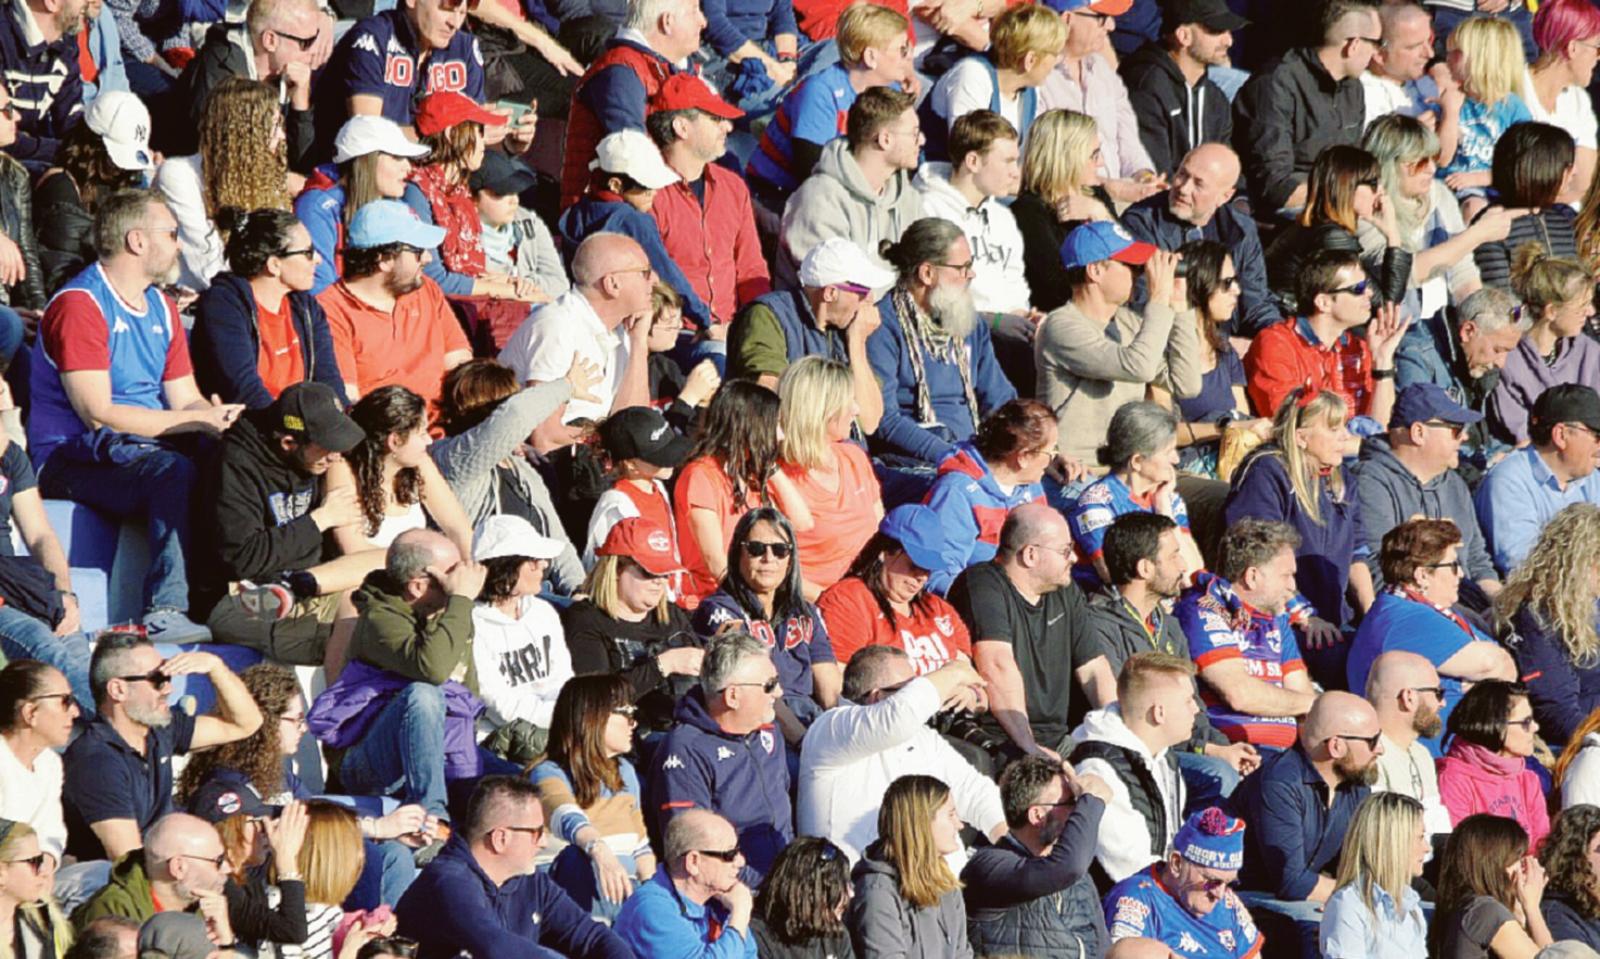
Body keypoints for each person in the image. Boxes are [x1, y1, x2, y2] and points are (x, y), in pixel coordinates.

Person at [27, 190, 243, 641]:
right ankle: (164, 610)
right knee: (171, 471)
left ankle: (234, 599)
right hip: (69, 457)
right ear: (137, 241)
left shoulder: (161, 306)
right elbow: (98, 414)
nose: (179, 244)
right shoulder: (81, 305)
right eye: (171, 233)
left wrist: (219, 420)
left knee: (236, 456)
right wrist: (194, 424)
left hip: (140, 444)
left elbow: (185, 399)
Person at [176, 663, 423, 913]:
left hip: (300, 871)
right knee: (369, 854)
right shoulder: (226, 781)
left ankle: (385, 941)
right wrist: (375, 827)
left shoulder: (276, 771)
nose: (303, 729)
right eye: (296, 720)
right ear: (268, 723)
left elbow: (318, 809)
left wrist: (383, 830)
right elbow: (275, 822)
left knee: (391, 853)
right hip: (264, 885)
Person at [305, 529, 497, 821]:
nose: (463, 578)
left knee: (528, 781)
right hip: (366, 761)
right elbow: (431, 669)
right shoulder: (379, 619)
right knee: (423, 694)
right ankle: (431, 815)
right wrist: (459, 600)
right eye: (452, 572)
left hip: (437, 750)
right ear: (419, 586)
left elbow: (465, 690)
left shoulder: (450, 610)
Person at [199, 381, 377, 678]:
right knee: (368, 630)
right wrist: (319, 520)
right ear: (288, 443)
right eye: (327, 447)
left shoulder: (314, 461)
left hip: (302, 587)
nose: (336, 455)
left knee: (402, 586)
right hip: (242, 597)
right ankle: (335, 719)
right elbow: (241, 558)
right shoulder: (235, 465)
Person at [64, 633, 262, 862]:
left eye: (169, 677)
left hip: (151, 868)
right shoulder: (97, 761)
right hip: (105, 882)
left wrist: (215, 668)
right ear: (118, 689)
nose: (168, 689)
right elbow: (127, 860)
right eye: (158, 679)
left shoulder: (160, 730)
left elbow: (245, 724)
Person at [797, 649, 1003, 862]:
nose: (919, 697)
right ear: (877, 696)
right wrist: (954, 672)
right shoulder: (831, 729)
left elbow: (976, 792)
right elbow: (897, 717)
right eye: (910, 689)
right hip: (861, 886)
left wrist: (1011, 842)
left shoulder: (922, 736)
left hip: (939, 883)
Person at [395, 776, 633, 959]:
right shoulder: (449, 882)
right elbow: (496, 947)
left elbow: (591, 937)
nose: (543, 842)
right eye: (537, 832)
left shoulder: (533, 883)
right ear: (501, 838)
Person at [949, 501, 1113, 760]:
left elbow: (1094, 670)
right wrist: (1029, 747)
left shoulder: (1066, 589)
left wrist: (1122, 737)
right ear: (1030, 555)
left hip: (1061, 740)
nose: (1074, 557)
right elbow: (996, 664)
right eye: (1065, 550)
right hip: (1004, 740)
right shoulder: (982, 584)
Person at [1229, 691, 1382, 959]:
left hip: (1308, 897)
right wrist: (1353, 899)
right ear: (1336, 746)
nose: (1380, 749)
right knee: (1329, 930)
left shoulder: (1356, 788)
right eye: (1373, 741)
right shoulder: (1279, 784)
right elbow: (1292, 882)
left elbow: (1362, 867)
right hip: (1253, 900)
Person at [1039, 223, 1201, 468]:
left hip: (1131, 473)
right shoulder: (1061, 326)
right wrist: (1158, 298)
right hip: (1079, 471)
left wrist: (1179, 306)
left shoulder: (1128, 323)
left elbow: (1186, 384)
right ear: (1095, 271)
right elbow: (1139, 367)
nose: (1138, 274)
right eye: (1129, 265)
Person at [866, 216, 1017, 471]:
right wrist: (952, 457)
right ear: (927, 273)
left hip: (975, 455)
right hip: (913, 464)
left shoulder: (969, 322)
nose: (971, 274)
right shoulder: (883, 326)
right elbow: (886, 420)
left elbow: (1000, 399)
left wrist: (1036, 447)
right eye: (962, 267)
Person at [1347, 519, 1513, 752]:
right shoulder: (1404, 618)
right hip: (1431, 758)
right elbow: (1495, 663)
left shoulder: (1434, 612)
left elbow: (1505, 666)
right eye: (1453, 566)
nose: (1462, 574)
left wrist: (1480, 683)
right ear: (1422, 575)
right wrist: (1481, 684)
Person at [1224, 390, 1371, 649]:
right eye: (1334, 428)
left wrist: (1371, 616)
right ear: (1301, 437)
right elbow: (1259, 555)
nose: (1346, 436)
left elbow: (1357, 553)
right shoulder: (1267, 472)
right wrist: (1304, 615)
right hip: (1280, 619)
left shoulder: (1343, 479)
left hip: (1334, 618)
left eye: (1345, 427)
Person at [430, 359, 589, 593]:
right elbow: (515, 415)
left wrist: (580, 593)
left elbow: (559, 544)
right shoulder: (453, 459)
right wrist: (566, 386)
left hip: (537, 593)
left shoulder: (521, 467)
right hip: (489, 596)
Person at [648, 631, 792, 886]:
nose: (779, 692)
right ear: (732, 696)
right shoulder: (685, 750)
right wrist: (766, 887)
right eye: (769, 684)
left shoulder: (768, 731)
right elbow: (693, 851)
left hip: (787, 881)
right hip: (735, 894)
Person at [1176, 518, 1317, 752]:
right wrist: (1315, 704)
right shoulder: (1206, 607)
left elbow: (1302, 691)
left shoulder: (1276, 619)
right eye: (1286, 575)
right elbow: (1239, 693)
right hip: (1235, 750)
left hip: (1285, 756)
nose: (1293, 586)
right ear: (1252, 576)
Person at [315, 200, 472, 410]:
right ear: (384, 259)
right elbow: (348, 401)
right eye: (418, 251)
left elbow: (459, 361)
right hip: (390, 434)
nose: (427, 258)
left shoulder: (426, 289)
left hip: (446, 424)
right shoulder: (331, 310)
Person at [693, 508, 838, 735]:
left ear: (790, 560)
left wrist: (836, 733)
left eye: (780, 550)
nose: (769, 558)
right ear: (737, 554)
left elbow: (829, 687)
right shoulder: (721, 611)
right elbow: (753, 689)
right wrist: (802, 741)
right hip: (760, 723)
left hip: (812, 719)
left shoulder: (805, 612)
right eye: (756, 548)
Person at [1233, 0, 1379, 217]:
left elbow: (1354, 167)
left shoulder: (1352, 87)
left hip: (1334, 205)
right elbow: (1275, 186)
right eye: (1377, 43)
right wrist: (1345, 198)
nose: (1376, 54)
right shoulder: (1276, 83)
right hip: (1285, 214)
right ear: (1354, 45)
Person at [1356, 382, 1501, 601]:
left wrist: (1499, 605)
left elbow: (1477, 561)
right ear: (1418, 432)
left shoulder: (1454, 483)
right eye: (1456, 429)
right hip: (1414, 612)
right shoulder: (1370, 482)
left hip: (1466, 603)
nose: (1465, 437)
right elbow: (1377, 572)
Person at [647, 72, 769, 332]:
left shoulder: (733, 187)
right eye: (715, 119)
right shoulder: (648, 193)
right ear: (682, 127)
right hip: (675, 336)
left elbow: (751, 267)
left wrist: (759, 326)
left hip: (731, 330)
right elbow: (650, 281)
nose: (727, 127)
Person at [529, 674, 656, 921]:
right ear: (593, 718)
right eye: (625, 712)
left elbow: (640, 849)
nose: (634, 723)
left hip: (623, 903)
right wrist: (599, 851)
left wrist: (655, 903)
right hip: (569, 903)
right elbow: (564, 814)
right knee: (578, 859)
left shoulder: (626, 774)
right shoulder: (547, 773)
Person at [190, 209, 347, 410]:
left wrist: (343, 423)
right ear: (274, 265)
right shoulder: (224, 305)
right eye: (308, 252)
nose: (318, 259)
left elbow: (329, 380)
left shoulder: (307, 308)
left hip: (304, 429)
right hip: (252, 427)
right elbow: (243, 389)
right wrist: (291, 427)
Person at [1362, 115, 1506, 331]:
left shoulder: (1439, 194)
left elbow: (1462, 272)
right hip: (1395, 331)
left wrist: (1483, 323)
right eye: (1420, 162)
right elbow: (1404, 274)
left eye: (1433, 158)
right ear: (1389, 163)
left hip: (1442, 328)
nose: (1431, 168)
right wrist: (1477, 234)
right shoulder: (1366, 210)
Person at [558, 0, 706, 210]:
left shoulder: (678, 71)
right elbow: (633, 162)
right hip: (608, 220)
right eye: (694, 11)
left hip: (659, 209)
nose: (703, 22)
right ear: (667, 22)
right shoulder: (620, 72)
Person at [560, 517, 702, 735]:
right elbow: (596, 700)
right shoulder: (586, 618)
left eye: (665, 573)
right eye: (649, 572)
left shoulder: (671, 616)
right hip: (627, 740)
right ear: (616, 569)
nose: (659, 581)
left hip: (683, 731)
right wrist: (663, 665)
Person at [1121, 143, 1280, 336]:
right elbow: (1143, 306)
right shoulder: (1142, 224)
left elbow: (1255, 303)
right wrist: (1222, 344)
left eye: (1199, 184)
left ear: (1225, 196)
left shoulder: (1240, 230)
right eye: (1182, 174)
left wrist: (1279, 340)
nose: (1184, 188)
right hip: (1173, 344)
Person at [497, 231, 654, 424]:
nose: (654, 280)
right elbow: (545, 437)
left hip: (589, 448)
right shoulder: (557, 326)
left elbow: (635, 426)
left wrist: (639, 344)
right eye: (644, 272)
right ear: (612, 284)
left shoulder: (624, 330)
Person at [154, 78, 293, 294]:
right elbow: (209, 270)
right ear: (244, 134)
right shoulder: (179, 175)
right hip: (203, 305)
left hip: (262, 299)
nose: (282, 136)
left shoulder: (265, 181)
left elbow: (287, 253)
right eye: (274, 127)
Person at [962, 755, 1111, 957]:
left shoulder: (1080, 877)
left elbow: (1103, 948)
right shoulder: (990, 866)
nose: (1078, 809)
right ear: (1037, 816)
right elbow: (1066, 867)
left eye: (1079, 801)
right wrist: (1093, 800)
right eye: (1071, 802)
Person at [1069, 652, 1198, 885]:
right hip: (1121, 903)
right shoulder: (1099, 768)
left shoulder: (1163, 756)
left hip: (1162, 890)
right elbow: (1128, 869)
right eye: (1188, 700)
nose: (1196, 709)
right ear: (1159, 713)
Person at [776, 86, 924, 289]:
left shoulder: (908, 197)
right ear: (885, 139)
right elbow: (832, 293)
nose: (921, 141)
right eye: (914, 134)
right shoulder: (820, 198)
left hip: (892, 313)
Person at [400, 93, 540, 304]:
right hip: (444, 309)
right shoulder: (416, 192)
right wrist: (503, 290)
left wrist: (506, 281)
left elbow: (471, 270)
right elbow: (432, 278)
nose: (484, 141)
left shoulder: (459, 191)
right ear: (451, 134)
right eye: (479, 131)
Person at [1243, 249, 1410, 427]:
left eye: (1366, 284)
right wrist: (1368, 443)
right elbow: (1296, 429)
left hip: (1358, 451)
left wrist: (1383, 363)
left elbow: (1380, 426)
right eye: (1358, 289)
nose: (1369, 292)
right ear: (1323, 302)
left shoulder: (1358, 347)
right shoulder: (1277, 345)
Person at [725, 236, 892, 413]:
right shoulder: (767, 317)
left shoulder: (846, 329)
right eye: (862, 291)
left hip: (834, 439)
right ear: (830, 293)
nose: (869, 299)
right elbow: (773, 398)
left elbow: (869, 420)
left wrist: (857, 343)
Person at [314, 0, 493, 160]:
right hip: (358, 173)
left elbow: (470, 141)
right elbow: (367, 134)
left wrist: (508, 143)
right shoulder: (373, 37)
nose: (454, 23)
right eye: (446, 8)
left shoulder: (464, 48)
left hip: (431, 174)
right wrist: (439, 137)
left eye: (462, 12)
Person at [1152, 240, 1272, 480]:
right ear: (1200, 284)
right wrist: (1224, 429)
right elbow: (1162, 433)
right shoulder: (1160, 350)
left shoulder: (1225, 351)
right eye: (1227, 283)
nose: (1237, 290)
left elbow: (1240, 417)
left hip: (1226, 463)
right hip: (1182, 471)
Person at [1393, 282, 1526, 485]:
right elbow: (1425, 442)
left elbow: (1479, 443)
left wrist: (1511, 455)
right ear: (1468, 331)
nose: (1501, 363)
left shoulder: (1475, 364)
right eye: (1498, 350)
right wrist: (1489, 466)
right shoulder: (1417, 355)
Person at [816, 504, 974, 674]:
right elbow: (840, 683)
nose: (922, 577)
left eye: (929, 569)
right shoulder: (848, 601)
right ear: (885, 552)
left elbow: (971, 675)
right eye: (915, 565)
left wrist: (972, 693)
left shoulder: (938, 609)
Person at [166, 0, 320, 172]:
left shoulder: (287, 73)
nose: (315, 50)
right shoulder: (219, 72)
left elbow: (303, 164)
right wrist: (285, 181)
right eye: (307, 43)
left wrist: (301, 103)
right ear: (270, 40)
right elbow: (225, 159)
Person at [1069, 401, 1206, 593]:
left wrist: (1164, 512)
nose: (1176, 459)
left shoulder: (1167, 499)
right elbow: (1116, 578)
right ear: (1137, 461)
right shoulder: (1097, 504)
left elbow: (1193, 574)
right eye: (1168, 452)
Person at [913, 112, 1032, 331]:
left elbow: (1016, 286)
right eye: (1008, 162)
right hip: (955, 332)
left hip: (1006, 333)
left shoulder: (1003, 218)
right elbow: (935, 297)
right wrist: (996, 322)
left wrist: (1024, 316)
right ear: (973, 161)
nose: (1016, 173)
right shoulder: (928, 209)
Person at [322, 387, 473, 558]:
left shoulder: (419, 462)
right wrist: (418, 562)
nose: (429, 440)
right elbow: (353, 549)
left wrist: (471, 569)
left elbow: (458, 528)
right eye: (422, 433)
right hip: (368, 579)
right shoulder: (342, 469)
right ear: (395, 441)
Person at [776, 356, 883, 596]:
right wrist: (835, 603)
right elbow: (773, 570)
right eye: (849, 402)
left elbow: (881, 536)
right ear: (821, 410)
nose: (856, 409)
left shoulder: (854, 458)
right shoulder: (778, 476)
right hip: (816, 604)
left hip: (869, 598)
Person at [1497, 504, 1600, 749]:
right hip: (1581, 741)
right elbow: (1556, 709)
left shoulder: (1590, 605)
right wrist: (1593, 740)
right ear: (1579, 564)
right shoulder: (1535, 618)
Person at [1263, 145, 1412, 313]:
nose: (1381, 191)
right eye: (1373, 183)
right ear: (1347, 187)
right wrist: (1393, 234)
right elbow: (1385, 307)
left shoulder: (1319, 227)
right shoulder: (1331, 237)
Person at [1036, 0, 1159, 202]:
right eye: (1101, 18)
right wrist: (1114, 190)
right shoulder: (1036, 78)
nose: (1111, 26)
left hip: (1118, 202)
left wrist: (1144, 177)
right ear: (1067, 19)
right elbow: (1049, 167)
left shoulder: (1101, 68)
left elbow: (1128, 140)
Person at [1100, 807, 1264, 959]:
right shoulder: (1136, 899)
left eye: (1228, 883)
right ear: (1177, 864)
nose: (1219, 894)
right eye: (1212, 881)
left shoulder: (1227, 901)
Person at [296, 116, 431, 297]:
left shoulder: (393, 205)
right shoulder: (317, 207)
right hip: (340, 318)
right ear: (368, 160)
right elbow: (320, 291)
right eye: (397, 157)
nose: (408, 167)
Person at [32, 93, 152, 296]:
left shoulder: (125, 184)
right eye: (116, 161)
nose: (123, 170)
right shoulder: (60, 187)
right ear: (94, 146)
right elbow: (59, 275)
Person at [846, 774, 974, 959]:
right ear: (922, 823)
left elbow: (963, 953)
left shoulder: (945, 880)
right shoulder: (877, 892)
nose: (960, 825)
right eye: (951, 815)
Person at [468, 514, 571, 738]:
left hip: (559, 731)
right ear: (506, 567)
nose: (543, 565)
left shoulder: (543, 613)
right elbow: (501, 708)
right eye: (533, 560)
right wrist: (567, 716)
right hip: (501, 742)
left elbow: (564, 683)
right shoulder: (471, 624)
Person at [1479, 389, 1600, 577]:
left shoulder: (1592, 478)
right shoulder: (1509, 480)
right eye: (1597, 436)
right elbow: (1524, 565)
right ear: (1561, 435)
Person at [1487, 247, 1600, 447]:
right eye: (1582, 306)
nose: (1590, 312)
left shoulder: (1589, 352)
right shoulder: (1509, 360)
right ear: (1552, 311)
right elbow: (1519, 432)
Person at [1120, 0, 1242, 179]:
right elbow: (1157, 176)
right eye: (1216, 31)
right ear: (1184, 36)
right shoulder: (1145, 86)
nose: (1229, 41)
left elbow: (1226, 169)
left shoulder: (1215, 98)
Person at [1009, 109, 1115, 314]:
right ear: (1067, 158)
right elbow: (1059, 290)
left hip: (1113, 310)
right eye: (1094, 155)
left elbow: (1135, 262)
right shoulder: (1028, 213)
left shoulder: (1097, 198)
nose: (1101, 162)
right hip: (1068, 321)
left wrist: (1101, 216)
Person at [614, 808, 757, 959]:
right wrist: (740, 915)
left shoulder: (721, 900)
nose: (741, 862)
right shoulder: (652, 910)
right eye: (729, 854)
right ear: (693, 862)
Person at [923, 4, 1064, 155]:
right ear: (1030, 60)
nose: (1058, 60)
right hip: (941, 172)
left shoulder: (1030, 89)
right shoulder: (972, 75)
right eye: (1055, 54)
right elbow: (969, 153)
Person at [1437, 680, 1551, 847]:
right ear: (1496, 725)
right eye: (1526, 722)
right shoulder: (1454, 778)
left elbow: (1540, 847)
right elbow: (1463, 850)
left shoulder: (1528, 779)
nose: (1535, 727)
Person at [1318, 792, 1429, 959]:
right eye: (1420, 837)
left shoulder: (1411, 905)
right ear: (1394, 842)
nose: (1427, 847)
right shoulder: (1348, 905)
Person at [1474, 123, 1582, 292]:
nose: (1574, 171)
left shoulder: (1565, 219)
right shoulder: (1494, 224)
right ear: (1542, 167)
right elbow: (1500, 301)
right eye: (1567, 165)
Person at [1432, 813, 1555, 958]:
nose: (1524, 867)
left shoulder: (1467, 905)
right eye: (1518, 858)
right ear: (1495, 863)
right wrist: (1532, 908)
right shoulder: (1485, 910)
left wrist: (1519, 909)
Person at [72, 813, 230, 925]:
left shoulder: (199, 907)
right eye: (218, 861)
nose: (227, 868)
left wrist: (224, 942)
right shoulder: (113, 914)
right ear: (178, 868)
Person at [1363, 651, 1455, 836]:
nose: (1443, 703)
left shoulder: (1421, 754)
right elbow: (1380, 838)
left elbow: (1438, 828)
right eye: (1438, 693)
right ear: (1409, 697)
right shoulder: (1367, 754)